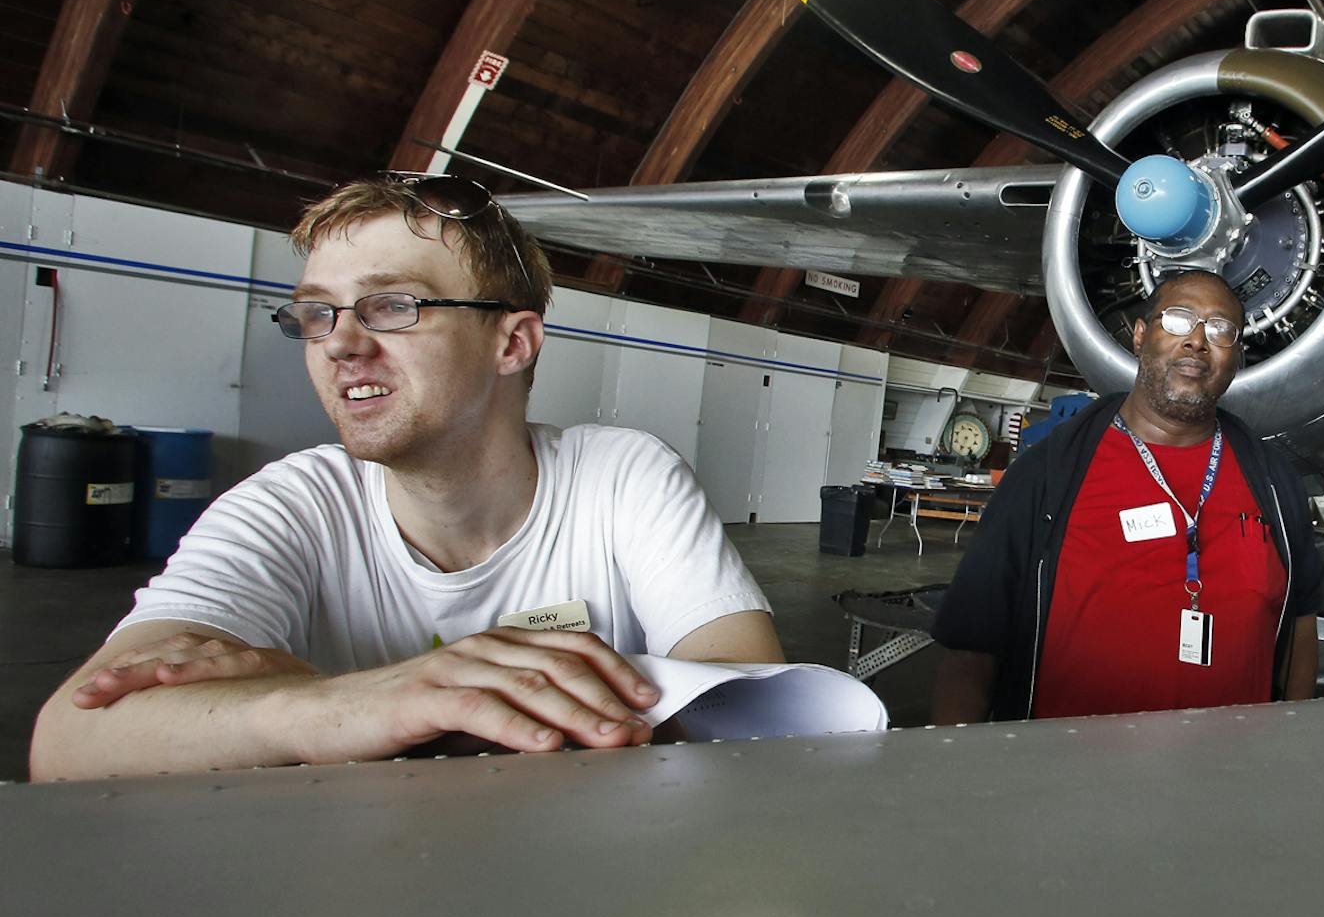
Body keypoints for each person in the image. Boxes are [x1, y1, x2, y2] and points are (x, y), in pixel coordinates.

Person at [30, 174, 784, 780]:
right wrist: (324, 708)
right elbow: (72, 739)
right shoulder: (291, 504)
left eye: (392, 306)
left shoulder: (622, 476)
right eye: (316, 313)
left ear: (512, 342)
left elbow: (754, 702)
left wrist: (343, 712)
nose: (340, 344)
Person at [931, 270, 1323, 722]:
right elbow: (970, 647)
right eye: (1177, 320)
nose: (1197, 340)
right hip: (1070, 778)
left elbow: (1301, 624)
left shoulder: (1275, 483)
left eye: (1220, 329)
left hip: (1229, 778)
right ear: (1139, 337)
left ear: (1236, 357)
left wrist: (1291, 740)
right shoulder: (1048, 473)